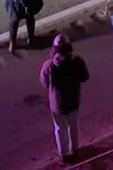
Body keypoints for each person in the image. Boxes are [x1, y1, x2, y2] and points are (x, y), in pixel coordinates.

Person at [38, 34, 89, 164]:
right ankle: (75, 150)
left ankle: (63, 154)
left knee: (60, 129)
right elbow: (85, 77)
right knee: (73, 126)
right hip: (73, 100)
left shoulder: (49, 66)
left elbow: (44, 83)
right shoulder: (78, 61)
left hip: (57, 104)